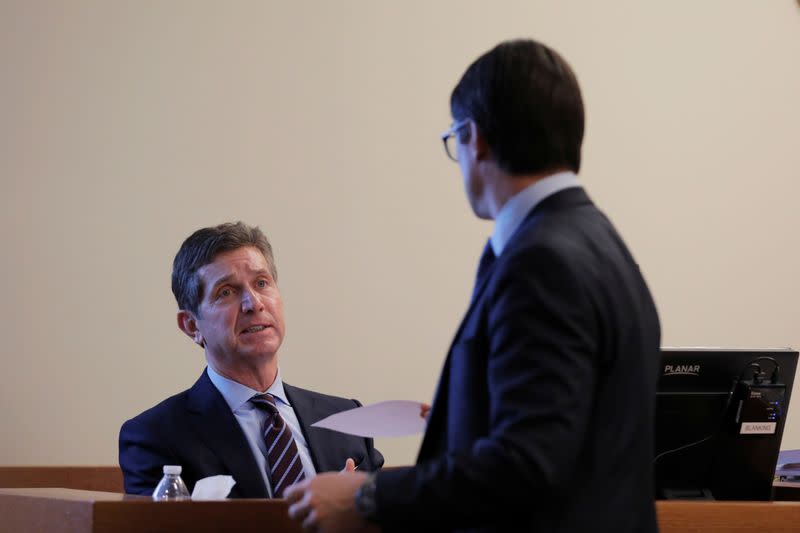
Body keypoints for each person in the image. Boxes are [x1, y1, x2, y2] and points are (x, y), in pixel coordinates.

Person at [286, 39, 661, 532]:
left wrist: (368, 496)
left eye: (453, 141)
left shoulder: (540, 262)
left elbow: (525, 465)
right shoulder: (602, 243)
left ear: (475, 137)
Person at [119, 222, 383, 498]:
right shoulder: (155, 436)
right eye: (226, 292)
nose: (253, 303)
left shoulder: (345, 419)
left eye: (261, 283)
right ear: (191, 326)